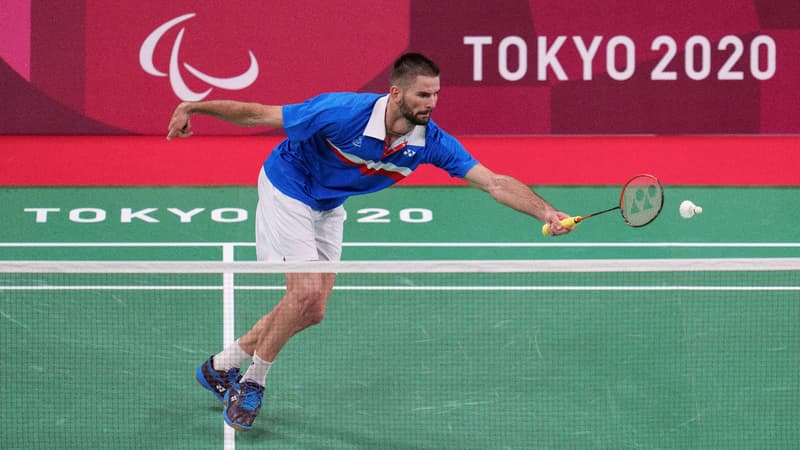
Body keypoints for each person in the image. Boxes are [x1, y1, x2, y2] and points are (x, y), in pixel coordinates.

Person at [167, 52, 572, 431]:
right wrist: (192, 107)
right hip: (289, 187)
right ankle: (253, 382)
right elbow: (259, 114)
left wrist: (545, 212)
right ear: (396, 92)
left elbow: (495, 182)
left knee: (312, 310)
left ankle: (222, 366)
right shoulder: (341, 113)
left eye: (435, 94)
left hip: (329, 203)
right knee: (304, 291)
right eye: (422, 94)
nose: (431, 103)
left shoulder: (429, 141)